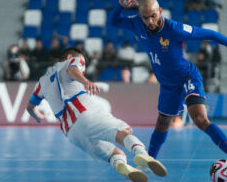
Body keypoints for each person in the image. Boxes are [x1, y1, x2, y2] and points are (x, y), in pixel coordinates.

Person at [110, 0, 227, 178]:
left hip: (187, 77)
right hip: (168, 84)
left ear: (160, 11)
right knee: (162, 122)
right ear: (140, 16)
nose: (150, 21)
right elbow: (114, 20)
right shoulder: (137, 23)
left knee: (200, 119)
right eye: (145, 17)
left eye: (153, 16)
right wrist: (120, 5)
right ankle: (149, 161)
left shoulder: (175, 29)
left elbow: (211, 34)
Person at [26, 47, 167, 182]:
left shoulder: (42, 81)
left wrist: (37, 115)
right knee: (123, 132)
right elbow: (71, 69)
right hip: (85, 113)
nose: (84, 67)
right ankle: (142, 155)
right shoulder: (71, 61)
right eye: (83, 63)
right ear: (69, 57)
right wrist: (86, 81)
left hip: (71, 133)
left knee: (116, 154)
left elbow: (30, 107)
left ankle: (123, 166)